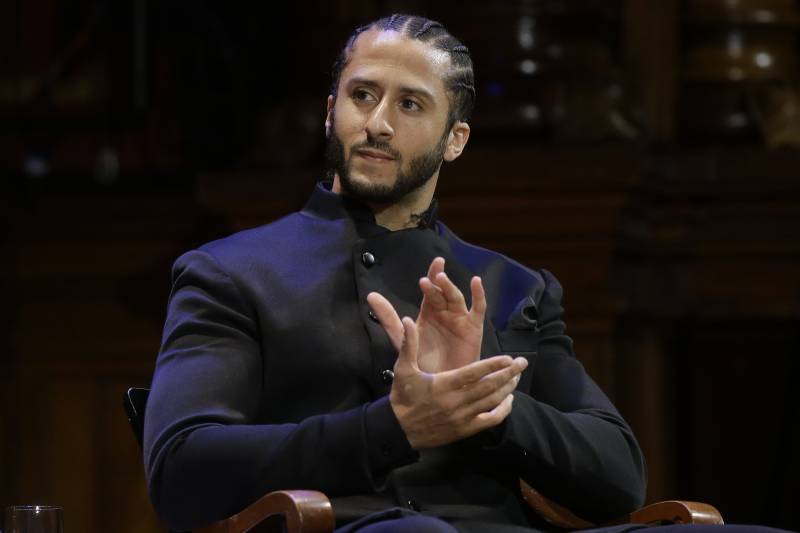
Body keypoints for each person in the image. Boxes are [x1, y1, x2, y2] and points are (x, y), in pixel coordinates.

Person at [146, 14, 666, 533]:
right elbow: (181, 468)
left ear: (455, 140)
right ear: (329, 113)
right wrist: (391, 428)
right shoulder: (232, 273)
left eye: (410, 104)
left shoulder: (514, 288)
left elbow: (620, 476)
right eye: (362, 96)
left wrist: (487, 405)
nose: (378, 124)